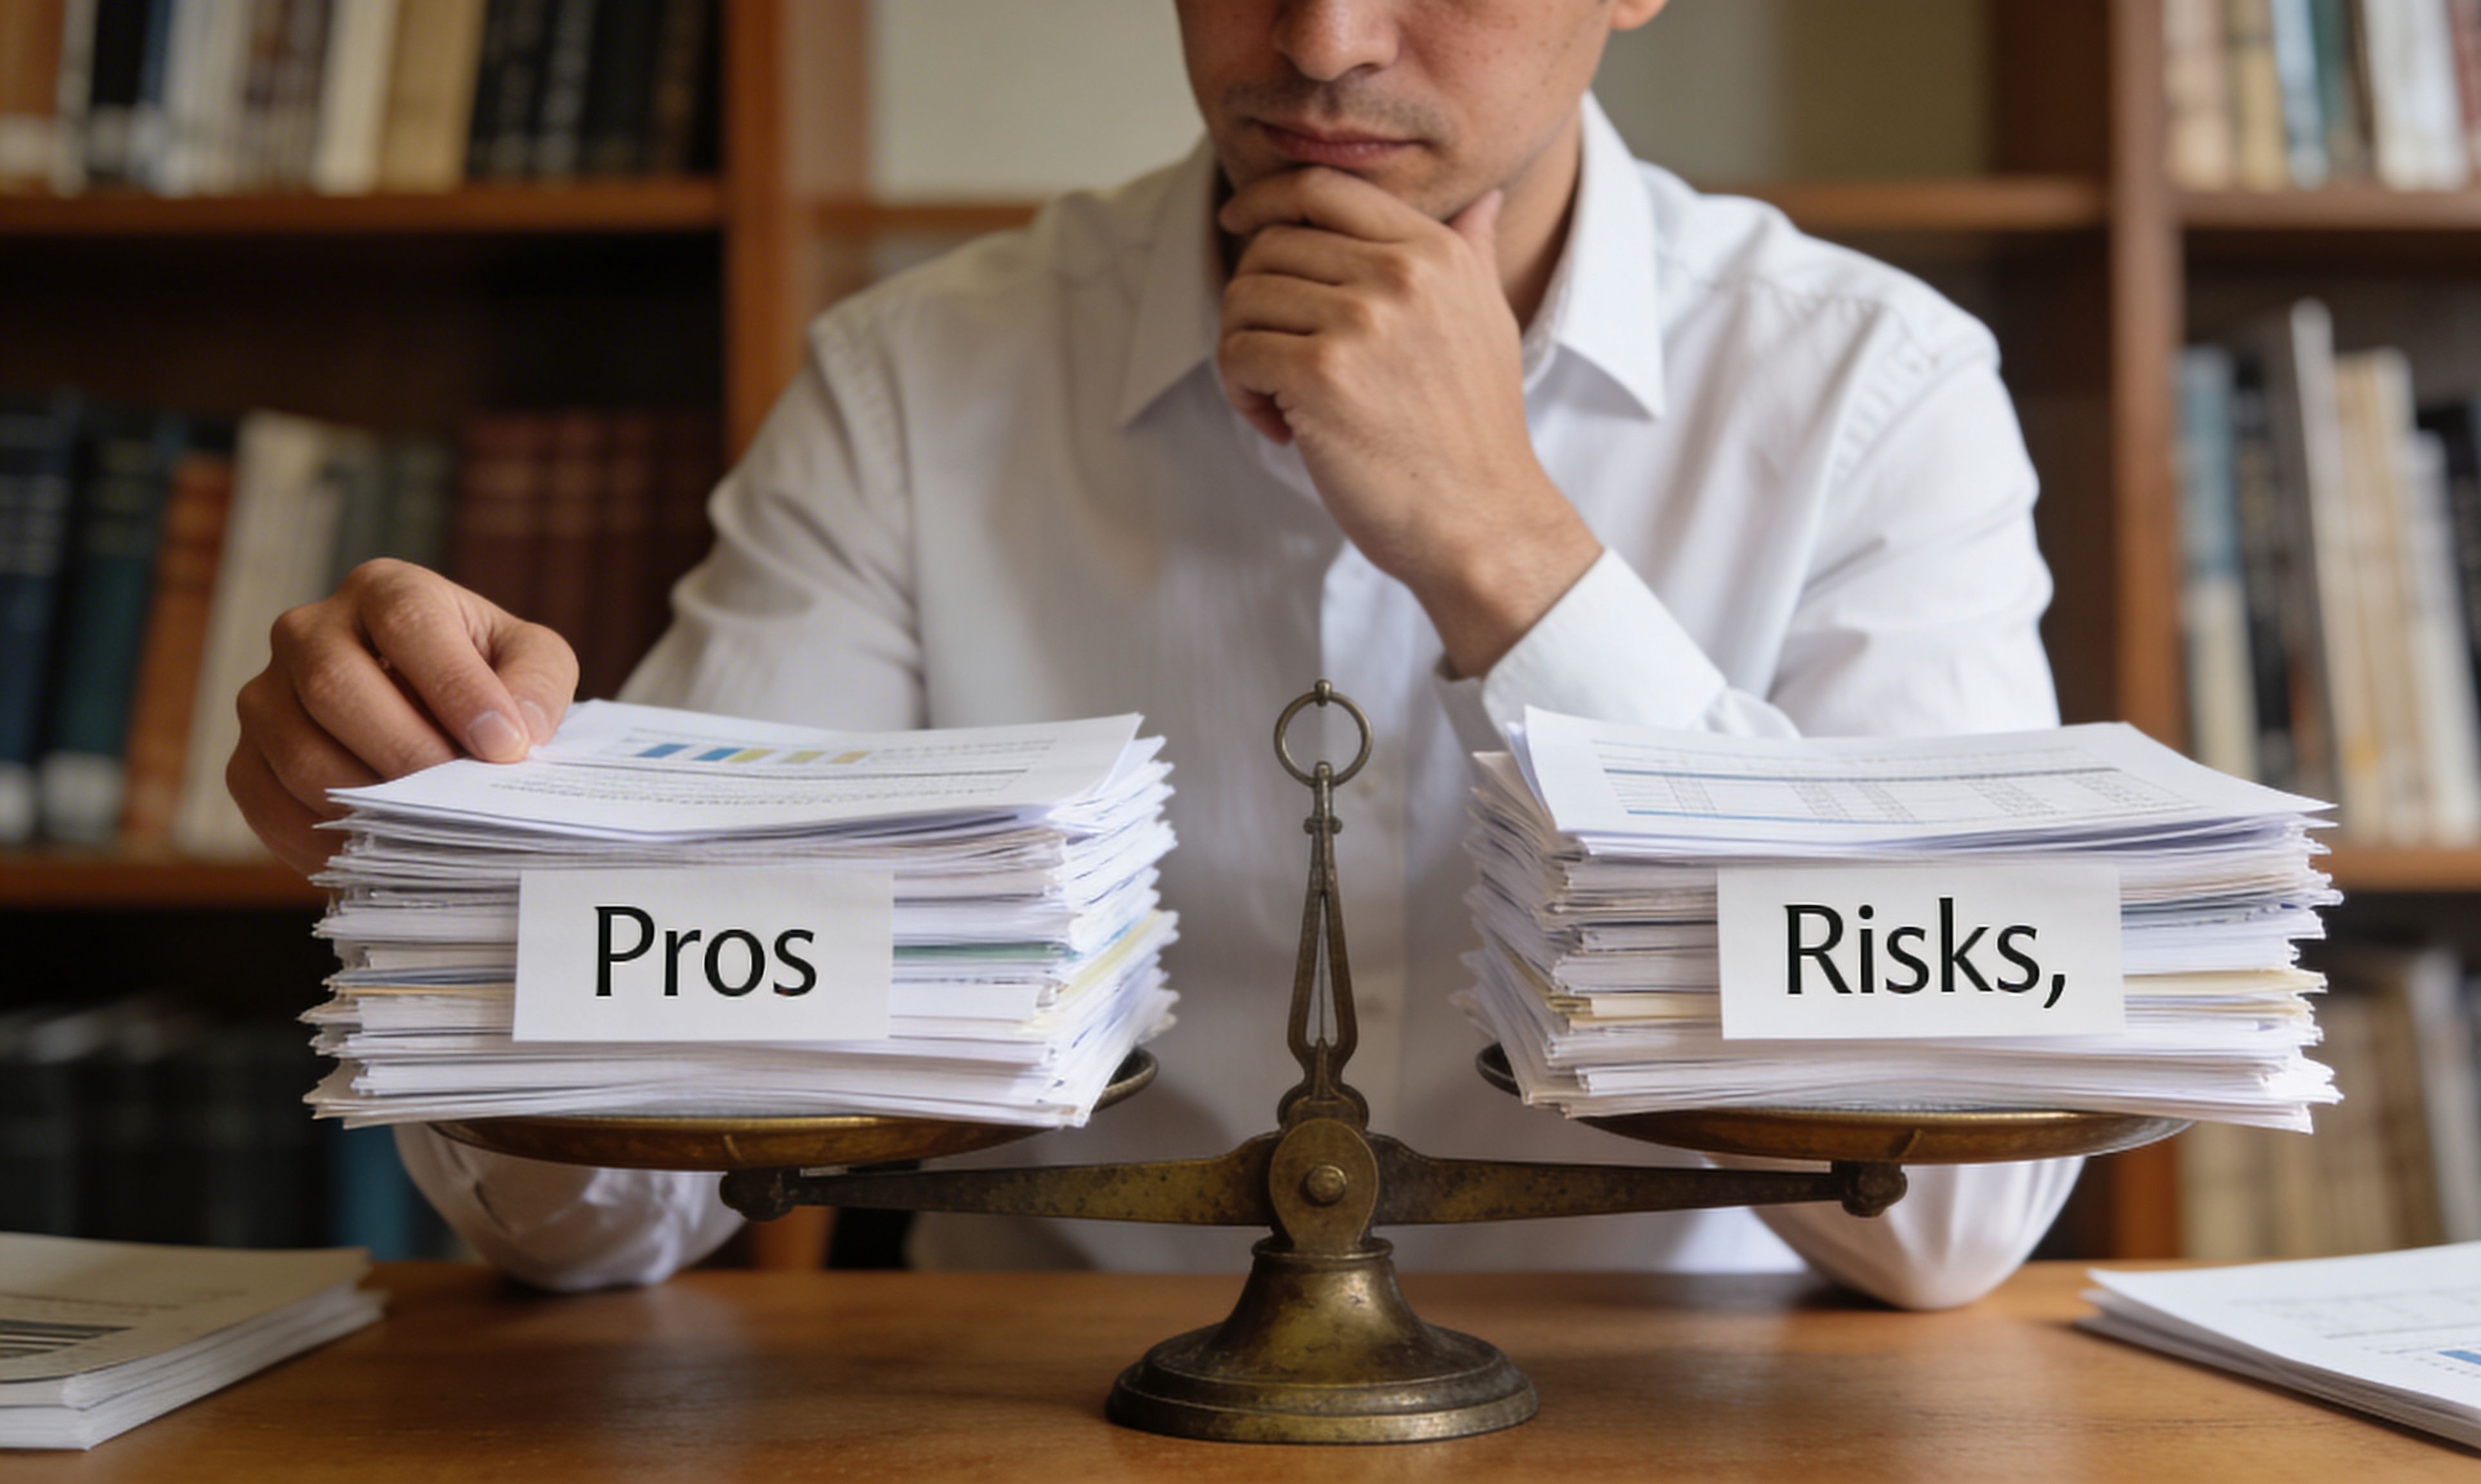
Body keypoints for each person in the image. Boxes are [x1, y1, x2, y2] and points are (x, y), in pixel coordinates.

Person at [233, 0, 2079, 1304]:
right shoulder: (916, 387)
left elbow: (1947, 1229)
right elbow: (603, 1222)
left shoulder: (1868, 391)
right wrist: (463, 871)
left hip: (1691, 1434)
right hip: (1043, 1427)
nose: (1325, 38)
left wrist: (1508, 552)